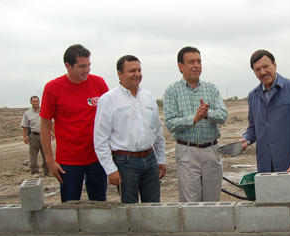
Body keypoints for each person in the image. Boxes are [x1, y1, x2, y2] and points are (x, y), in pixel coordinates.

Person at [40, 44, 109, 202]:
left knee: (99, 204)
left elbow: (111, 118)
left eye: (89, 65)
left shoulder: (98, 83)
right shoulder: (53, 88)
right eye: (82, 66)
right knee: (70, 206)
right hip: (68, 161)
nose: (87, 70)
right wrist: (50, 161)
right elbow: (44, 126)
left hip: (97, 157)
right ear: (68, 66)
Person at [94, 55, 166, 203]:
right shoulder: (108, 99)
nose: (137, 74)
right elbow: (100, 138)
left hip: (150, 160)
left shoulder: (148, 97)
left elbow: (158, 131)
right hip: (125, 162)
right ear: (120, 74)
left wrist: (161, 158)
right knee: (130, 209)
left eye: (139, 70)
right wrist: (111, 169)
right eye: (132, 71)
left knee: (154, 207)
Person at [163, 46, 228, 202]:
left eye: (199, 61)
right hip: (187, 151)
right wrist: (194, 119)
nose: (197, 65)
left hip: (211, 151)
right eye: (191, 62)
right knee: (190, 203)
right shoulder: (171, 91)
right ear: (181, 66)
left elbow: (223, 115)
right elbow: (170, 123)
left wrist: (206, 114)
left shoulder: (211, 89)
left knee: (212, 201)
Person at [239, 50, 290, 174]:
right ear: (254, 73)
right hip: (265, 164)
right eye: (257, 69)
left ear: (275, 65)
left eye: (266, 66)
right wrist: (245, 140)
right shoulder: (253, 95)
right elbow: (253, 128)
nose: (263, 72)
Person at [20, 96, 50, 177]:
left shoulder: (44, 111)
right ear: (31, 102)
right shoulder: (27, 114)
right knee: (33, 154)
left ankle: (47, 171)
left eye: (37, 101)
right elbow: (25, 126)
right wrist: (25, 137)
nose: (36, 103)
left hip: (44, 135)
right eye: (34, 101)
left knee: (46, 153)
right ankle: (35, 172)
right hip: (33, 136)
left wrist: (53, 133)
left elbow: (51, 122)